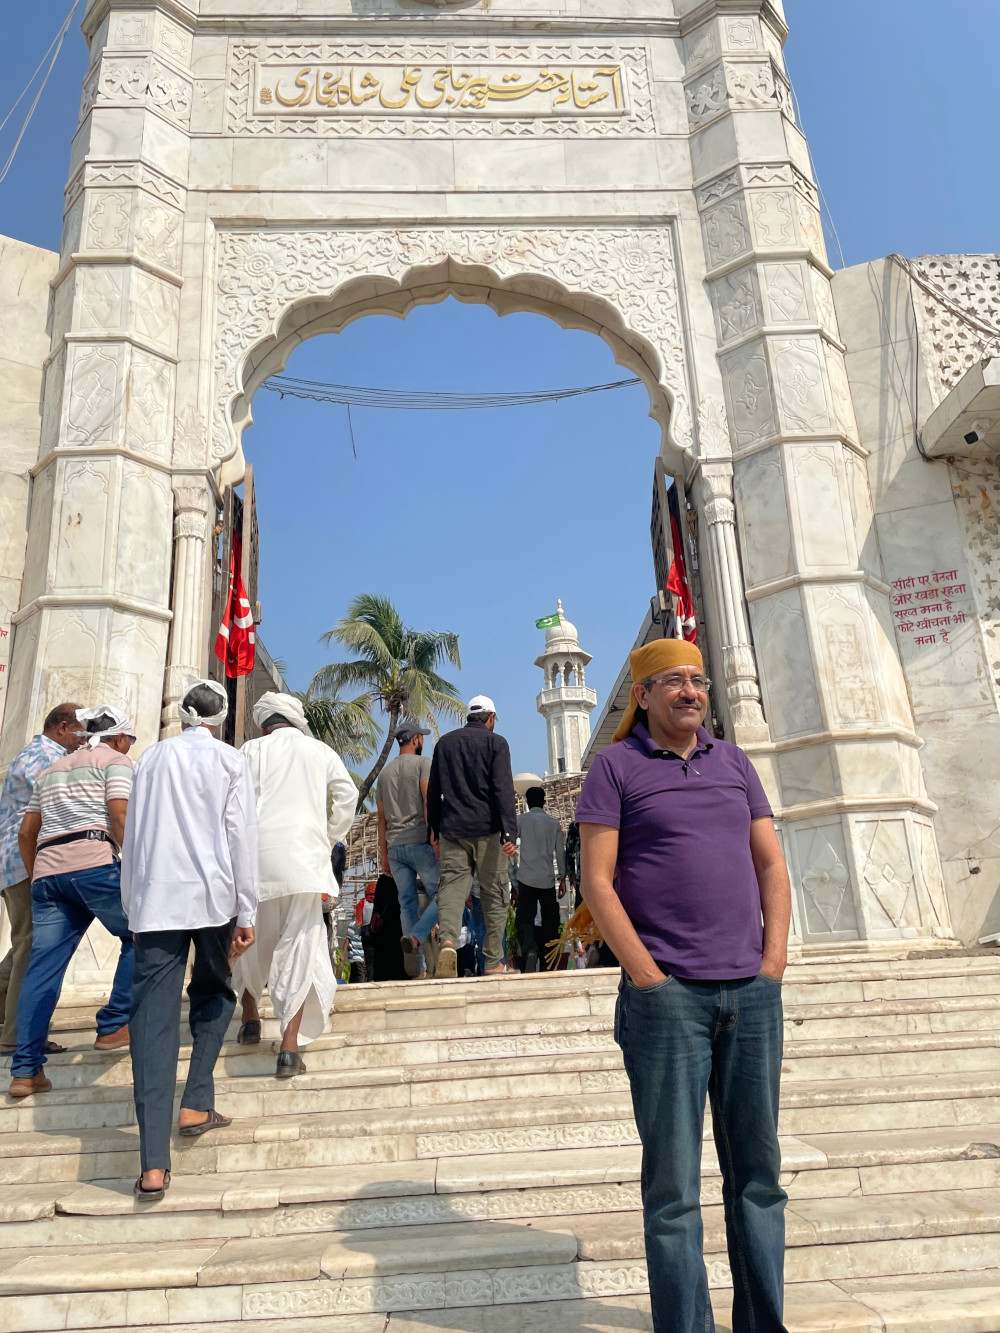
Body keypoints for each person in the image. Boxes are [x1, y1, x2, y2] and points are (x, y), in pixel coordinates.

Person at [576, 639, 791, 1333]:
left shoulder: (734, 763)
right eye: (673, 681)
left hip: (750, 997)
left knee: (758, 1178)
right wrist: (648, 978)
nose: (691, 691)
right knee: (672, 1189)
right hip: (669, 1003)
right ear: (642, 695)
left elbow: (772, 866)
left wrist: (773, 964)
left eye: (698, 679)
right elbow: (597, 882)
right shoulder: (613, 768)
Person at [121, 680, 258, 1202]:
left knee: (151, 1023)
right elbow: (239, 835)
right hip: (214, 896)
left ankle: (153, 1165)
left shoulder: (151, 760)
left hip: (156, 898)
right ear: (220, 716)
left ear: (181, 716)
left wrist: (131, 897)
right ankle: (197, 1096)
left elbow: (135, 833)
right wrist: (247, 909)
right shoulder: (229, 761)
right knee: (216, 991)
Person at [8, 707, 137, 1098]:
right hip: (95, 864)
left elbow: (27, 832)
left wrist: (38, 878)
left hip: (48, 874)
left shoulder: (51, 771)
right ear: (117, 738)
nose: (130, 748)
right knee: (142, 934)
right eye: (130, 741)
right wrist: (135, 868)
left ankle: (26, 1071)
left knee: (41, 970)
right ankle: (114, 1023)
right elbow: (119, 814)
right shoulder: (115, 762)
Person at [233, 692, 356, 1077]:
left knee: (249, 938)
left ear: (265, 722)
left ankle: (250, 1016)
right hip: (303, 860)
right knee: (298, 945)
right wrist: (329, 834)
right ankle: (288, 1047)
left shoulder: (248, 751)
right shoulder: (317, 750)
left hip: (255, 858)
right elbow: (346, 794)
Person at [0, 702, 85, 1056]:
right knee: (34, 948)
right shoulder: (43, 758)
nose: (84, 740)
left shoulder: (37, 753)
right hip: (25, 862)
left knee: (25, 944)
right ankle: (18, 1036)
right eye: (81, 731)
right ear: (62, 727)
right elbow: (56, 804)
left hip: (20, 861)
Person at [426, 695, 517, 979]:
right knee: (495, 894)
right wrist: (510, 832)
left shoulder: (445, 744)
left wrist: (435, 831)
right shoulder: (496, 743)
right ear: (490, 718)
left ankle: (449, 942)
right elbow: (503, 789)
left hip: (453, 830)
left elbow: (434, 792)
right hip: (488, 832)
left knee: (452, 889)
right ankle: (492, 962)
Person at [376, 720, 439, 978]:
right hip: (419, 841)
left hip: (395, 846)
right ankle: (415, 937)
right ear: (414, 739)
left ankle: (419, 968)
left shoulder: (385, 774)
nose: (422, 741)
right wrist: (434, 835)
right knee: (445, 893)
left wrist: (384, 854)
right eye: (421, 737)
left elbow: (381, 819)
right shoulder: (424, 764)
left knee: (407, 904)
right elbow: (428, 799)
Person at [515, 786, 566, 972]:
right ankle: (548, 961)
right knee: (550, 922)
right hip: (547, 880)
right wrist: (562, 878)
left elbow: (509, 843)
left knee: (525, 920)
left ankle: (530, 950)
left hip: (526, 877)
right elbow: (560, 852)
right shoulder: (553, 823)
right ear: (544, 802)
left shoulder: (521, 820)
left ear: (527, 803)